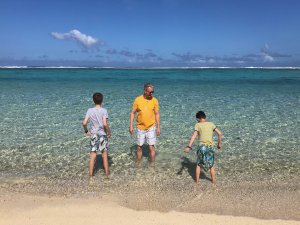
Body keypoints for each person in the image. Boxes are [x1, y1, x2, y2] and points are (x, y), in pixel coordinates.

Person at [184, 111, 222, 186]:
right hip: (210, 146)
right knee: (211, 165)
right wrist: (219, 144)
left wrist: (189, 146)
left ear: (198, 119)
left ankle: (197, 182)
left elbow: (194, 136)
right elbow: (219, 133)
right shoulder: (211, 124)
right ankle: (213, 182)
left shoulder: (198, 125)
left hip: (202, 147)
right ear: (205, 117)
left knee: (198, 164)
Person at [82, 92, 111, 180]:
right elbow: (105, 124)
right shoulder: (104, 110)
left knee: (93, 155)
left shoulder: (90, 110)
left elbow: (84, 123)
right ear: (102, 100)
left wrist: (86, 130)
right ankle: (106, 175)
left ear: (93, 101)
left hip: (93, 134)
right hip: (102, 135)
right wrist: (109, 132)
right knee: (104, 155)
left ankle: (90, 176)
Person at [129, 83, 160, 163]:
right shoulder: (138, 100)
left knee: (151, 147)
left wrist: (158, 127)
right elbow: (133, 113)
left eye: (153, 92)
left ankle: (152, 165)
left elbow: (157, 114)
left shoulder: (155, 100)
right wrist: (131, 126)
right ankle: (138, 165)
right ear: (145, 91)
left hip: (151, 127)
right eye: (150, 92)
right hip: (140, 127)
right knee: (139, 147)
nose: (151, 93)